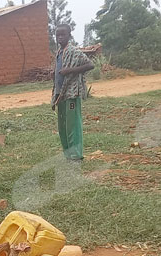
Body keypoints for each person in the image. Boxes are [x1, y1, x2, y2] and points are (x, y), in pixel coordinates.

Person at [52, 24, 94, 162]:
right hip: (61, 94)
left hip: (71, 93)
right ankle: (68, 153)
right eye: (57, 35)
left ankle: (76, 155)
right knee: (63, 126)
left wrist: (70, 70)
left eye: (63, 35)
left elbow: (90, 65)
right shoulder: (59, 52)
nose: (60, 37)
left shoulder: (74, 51)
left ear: (69, 36)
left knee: (73, 125)